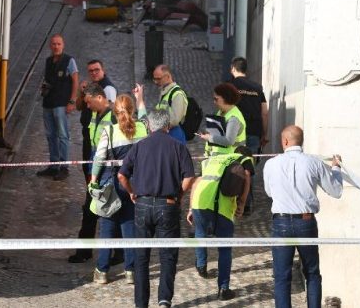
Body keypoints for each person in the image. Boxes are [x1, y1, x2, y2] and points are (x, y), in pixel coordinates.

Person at [118, 109, 196, 308]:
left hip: (142, 205)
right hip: (167, 205)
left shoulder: (139, 146)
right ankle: (164, 301)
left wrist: (131, 192)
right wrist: (179, 195)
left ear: (149, 126)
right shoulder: (178, 147)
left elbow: (121, 175)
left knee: (141, 257)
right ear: (168, 126)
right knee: (168, 256)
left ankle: (141, 303)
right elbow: (189, 177)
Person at [263, 125, 342, 308]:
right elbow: (336, 191)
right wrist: (336, 169)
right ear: (302, 141)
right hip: (306, 222)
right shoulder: (314, 163)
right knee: (312, 273)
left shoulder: (271, 164)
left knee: (281, 276)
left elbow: (269, 192)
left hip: (281, 222)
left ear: (285, 141)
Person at [90, 94, 148, 284]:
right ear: (132, 111)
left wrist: (93, 180)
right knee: (130, 225)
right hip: (135, 184)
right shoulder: (142, 128)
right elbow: (146, 119)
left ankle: (102, 270)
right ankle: (130, 270)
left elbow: (99, 158)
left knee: (107, 226)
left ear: (115, 113)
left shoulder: (110, 131)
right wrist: (140, 99)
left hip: (113, 184)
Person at [187, 145, 253, 300]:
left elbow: (196, 183)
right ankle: (224, 289)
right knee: (225, 249)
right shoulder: (244, 158)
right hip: (223, 207)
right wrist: (242, 203)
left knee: (200, 233)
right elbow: (248, 175)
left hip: (200, 202)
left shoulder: (212, 160)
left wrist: (190, 207)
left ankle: (202, 266)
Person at [68, 60, 118, 263]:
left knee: (99, 210)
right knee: (98, 209)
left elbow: (106, 150)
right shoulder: (95, 114)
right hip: (95, 166)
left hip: (104, 172)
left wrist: (94, 174)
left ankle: (93, 253)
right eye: (91, 71)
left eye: (89, 102)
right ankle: (107, 252)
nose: (87, 105)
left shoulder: (109, 113)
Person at [228, 57, 267, 213]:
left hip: (236, 134)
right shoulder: (257, 88)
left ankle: (233, 201)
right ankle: (247, 203)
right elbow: (264, 112)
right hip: (253, 132)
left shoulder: (229, 86)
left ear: (232, 68)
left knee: (233, 166)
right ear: (246, 70)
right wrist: (264, 134)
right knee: (249, 168)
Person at [37, 34, 78, 181]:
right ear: (50, 46)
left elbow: (75, 80)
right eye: (53, 44)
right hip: (48, 103)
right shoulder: (48, 61)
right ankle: (54, 165)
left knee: (62, 135)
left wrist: (72, 101)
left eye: (58, 44)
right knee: (50, 135)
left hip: (61, 103)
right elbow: (47, 80)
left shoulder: (69, 60)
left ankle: (64, 167)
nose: (56, 46)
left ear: (63, 45)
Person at [138, 64, 188, 143]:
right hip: (165, 134)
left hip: (174, 135)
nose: (155, 81)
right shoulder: (165, 92)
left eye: (158, 79)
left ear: (167, 77)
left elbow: (175, 119)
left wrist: (157, 127)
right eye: (154, 78)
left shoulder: (178, 94)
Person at [200, 83, 246, 156]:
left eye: (216, 99)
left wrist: (209, 137)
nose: (214, 102)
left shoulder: (234, 118)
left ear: (226, 98)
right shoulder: (221, 112)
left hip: (230, 160)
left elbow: (228, 140)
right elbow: (217, 133)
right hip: (220, 159)